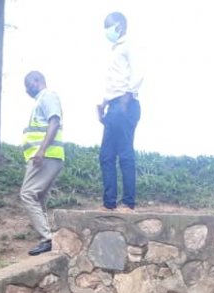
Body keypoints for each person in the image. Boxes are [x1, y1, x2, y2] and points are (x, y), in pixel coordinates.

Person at [97, 11, 142, 212]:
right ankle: (109, 203)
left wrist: (126, 99)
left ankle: (128, 203)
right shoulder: (115, 49)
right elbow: (114, 81)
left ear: (120, 26)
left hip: (126, 103)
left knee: (124, 154)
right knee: (106, 155)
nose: (107, 30)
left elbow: (139, 73)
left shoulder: (130, 45)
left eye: (109, 26)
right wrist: (103, 103)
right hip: (113, 105)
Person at [20, 71, 65, 257]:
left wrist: (41, 150)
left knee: (27, 194)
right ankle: (49, 238)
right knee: (39, 198)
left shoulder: (48, 96)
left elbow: (54, 122)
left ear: (37, 80)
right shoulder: (42, 99)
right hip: (48, 157)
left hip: (45, 157)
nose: (26, 89)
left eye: (28, 84)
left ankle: (47, 238)